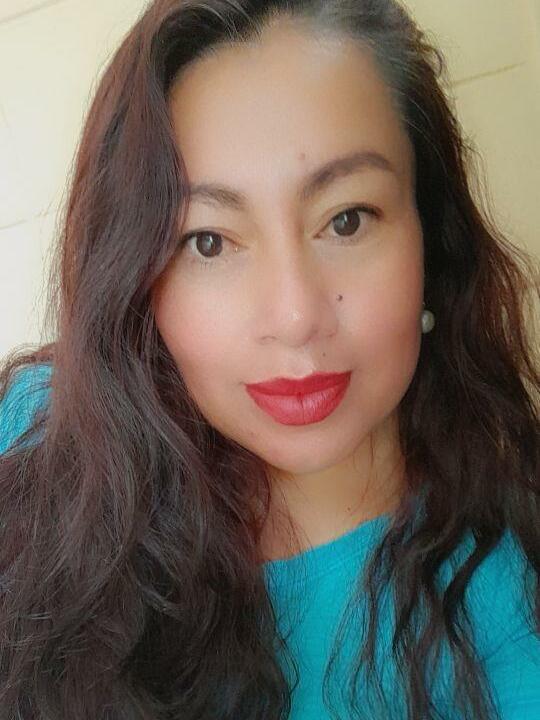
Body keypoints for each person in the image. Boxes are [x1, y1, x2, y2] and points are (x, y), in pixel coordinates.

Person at [0, 0, 539, 718]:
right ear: (135, 282)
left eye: (346, 220)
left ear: (429, 239)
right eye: (208, 242)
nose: (295, 317)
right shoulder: (36, 431)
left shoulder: (507, 622)